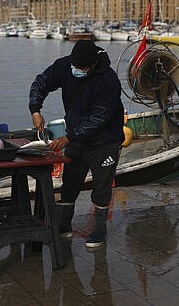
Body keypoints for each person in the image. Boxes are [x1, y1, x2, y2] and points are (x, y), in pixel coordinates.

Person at [28, 40, 125, 248]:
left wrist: (68, 138)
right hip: (76, 139)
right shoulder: (65, 66)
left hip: (104, 141)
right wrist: (35, 109)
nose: (76, 71)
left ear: (92, 66)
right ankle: (64, 225)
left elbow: (100, 118)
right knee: (70, 182)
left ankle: (100, 228)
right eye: (75, 66)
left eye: (82, 68)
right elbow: (41, 82)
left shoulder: (108, 81)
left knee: (101, 186)